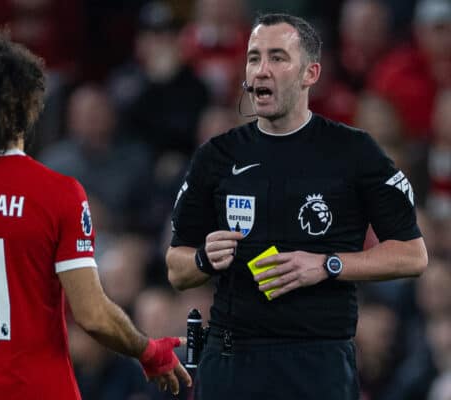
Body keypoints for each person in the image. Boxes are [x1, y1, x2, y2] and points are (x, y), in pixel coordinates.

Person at [0, 29, 191, 400]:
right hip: (38, 388)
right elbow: (92, 315)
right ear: (24, 106)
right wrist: (148, 350)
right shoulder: (57, 193)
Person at [166, 13, 428, 400]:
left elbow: (412, 255)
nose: (261, 71)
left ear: (310, 73)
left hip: (317, 361)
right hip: (232, 357)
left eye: (277, 58)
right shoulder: (217, 155)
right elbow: (176, 267)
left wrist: (327, 265)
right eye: (254, 58)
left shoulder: (353, 152)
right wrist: (204, 259)